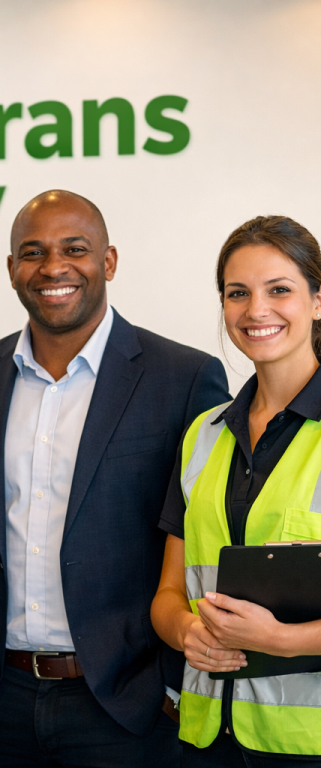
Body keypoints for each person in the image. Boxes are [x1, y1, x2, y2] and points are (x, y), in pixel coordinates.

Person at [0, 189, 230, 768]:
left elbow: (204, 533)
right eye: (33, 252)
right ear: (12, 269)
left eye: (75, 249)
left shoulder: (184, 378)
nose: (53, 267)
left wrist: (169, 688)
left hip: (127, 705)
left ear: (109, 261)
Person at [151, 215, 321, 766]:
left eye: (280, 290)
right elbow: (168, 594)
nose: (256, 310)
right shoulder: (204, 435)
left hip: (306, 748)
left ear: (318, 301)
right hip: (207, 743)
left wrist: (282, 641)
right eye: (237, 293)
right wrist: (185, 631)